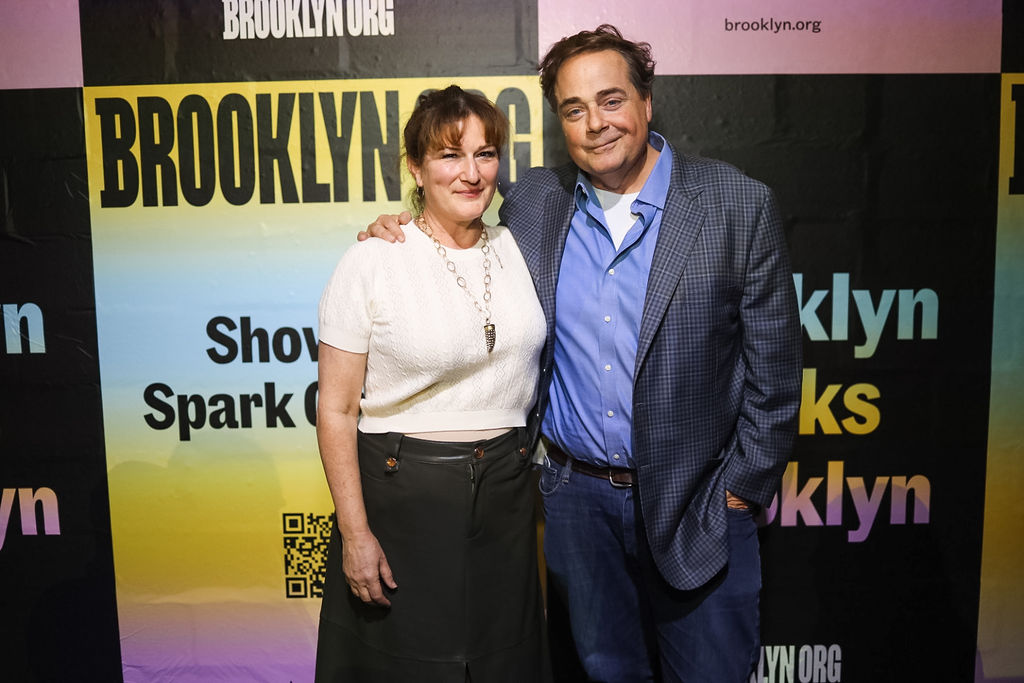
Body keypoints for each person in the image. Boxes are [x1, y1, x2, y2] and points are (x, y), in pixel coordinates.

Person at [364, 25, 801, 682]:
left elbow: (776, 375)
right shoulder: (539, 202)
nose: (595, 124)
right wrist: (392, 226)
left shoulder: (736, 205)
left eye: (611, 100)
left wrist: (740, 493)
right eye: (574, 109)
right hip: (577, 507)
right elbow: (453, 214)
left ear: (646, 102)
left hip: (700, 508)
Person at [315, 85, 548, 682]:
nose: (472, 173)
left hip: (509, 495)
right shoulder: (373, 259)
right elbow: (337, 410)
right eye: (450, 155)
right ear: (416, 168)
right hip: (402, 497)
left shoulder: (521, 243)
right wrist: (355, 533)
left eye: (486, 153)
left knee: (505, 666)